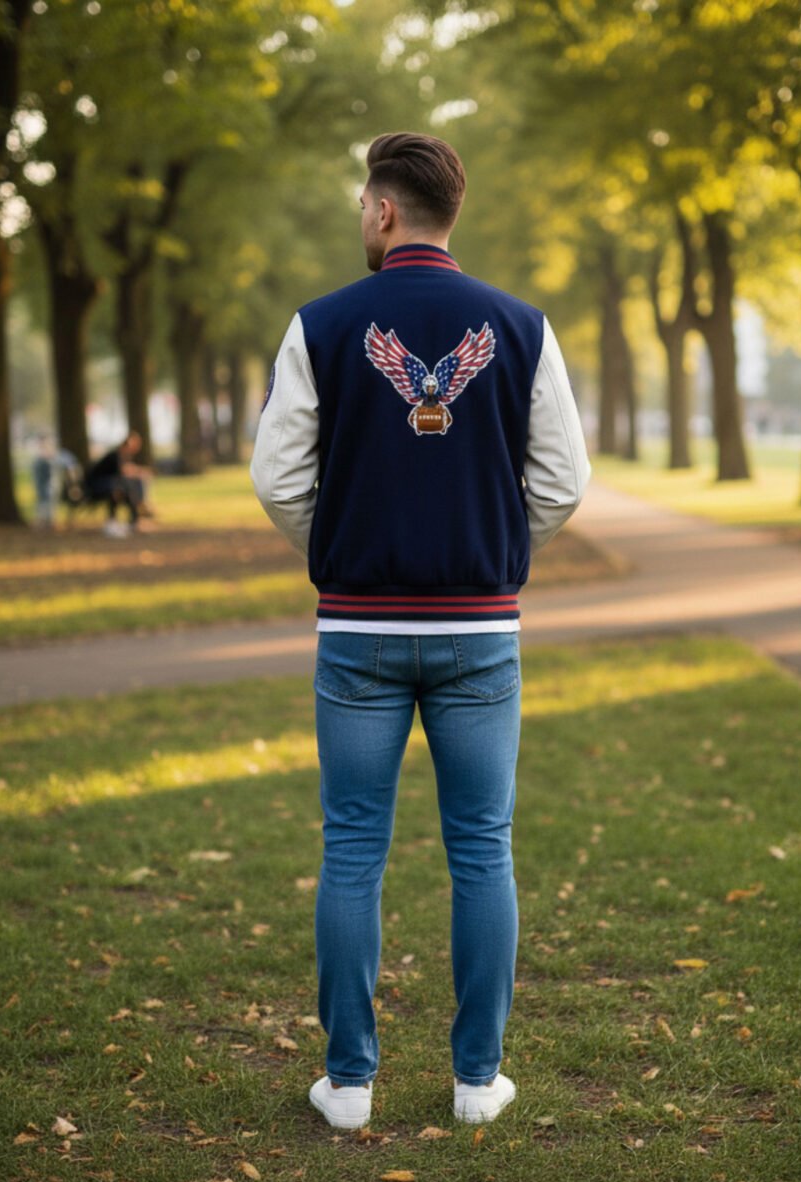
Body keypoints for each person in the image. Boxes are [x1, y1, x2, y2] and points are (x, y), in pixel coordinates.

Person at [250, 132, 590, 1130]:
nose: (361, 216)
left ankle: (349, 1085)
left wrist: (343, 549)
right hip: (480, 633)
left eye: (363, 203)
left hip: (356, 632)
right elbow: (564, 483)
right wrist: (493, 553)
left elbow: (277, 479)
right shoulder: (522, 326)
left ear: (387, 210)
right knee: (483, 849)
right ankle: (478, 1082)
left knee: (352, 849)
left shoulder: (319, 325)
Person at [85, 430, 154, 536]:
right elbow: (124, 471)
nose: (136, 448)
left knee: (130, 486)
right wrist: (140, 471)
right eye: (135, 444)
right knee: (120, 488)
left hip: (109, 485)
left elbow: (127, 471)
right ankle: (120, 520)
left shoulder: (124, 456)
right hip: (96, 486)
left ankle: (134, 518)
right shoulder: (116, 456)